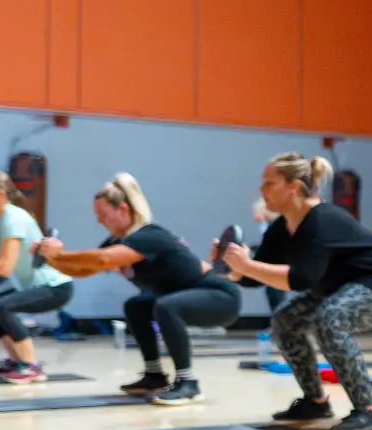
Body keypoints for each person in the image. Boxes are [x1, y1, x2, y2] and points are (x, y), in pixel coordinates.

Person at [225, 154, 372, 430]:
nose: (261, 190)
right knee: (286, 320)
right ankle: (315, 402)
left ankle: (369, 410)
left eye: (269, 183)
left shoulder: (321, 220)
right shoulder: (282, 227)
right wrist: (231, 267)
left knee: (330, 318)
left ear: (293, 186)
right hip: (341, 284)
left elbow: (302, 278)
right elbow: (256, 278)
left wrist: (246, 265)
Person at [35, 173, 240, 406]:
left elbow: (102, 260)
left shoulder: (149, 235)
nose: (99, 222)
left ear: (122, 209)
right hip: (184, 299)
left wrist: (59, 254)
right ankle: (154, 376)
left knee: (166, 306)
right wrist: (50, 259)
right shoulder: (117, 241)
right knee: (137, 306)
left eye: (103, 215)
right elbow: (84, 269)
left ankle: (188, 383)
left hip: (219, 297)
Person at [0, 172, 73, 383]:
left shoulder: (13, 218)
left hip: (55, 287)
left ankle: (32, 366)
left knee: (3, 306)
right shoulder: (0, 222)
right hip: (34, 286)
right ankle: (16, 359)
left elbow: (3, 268)